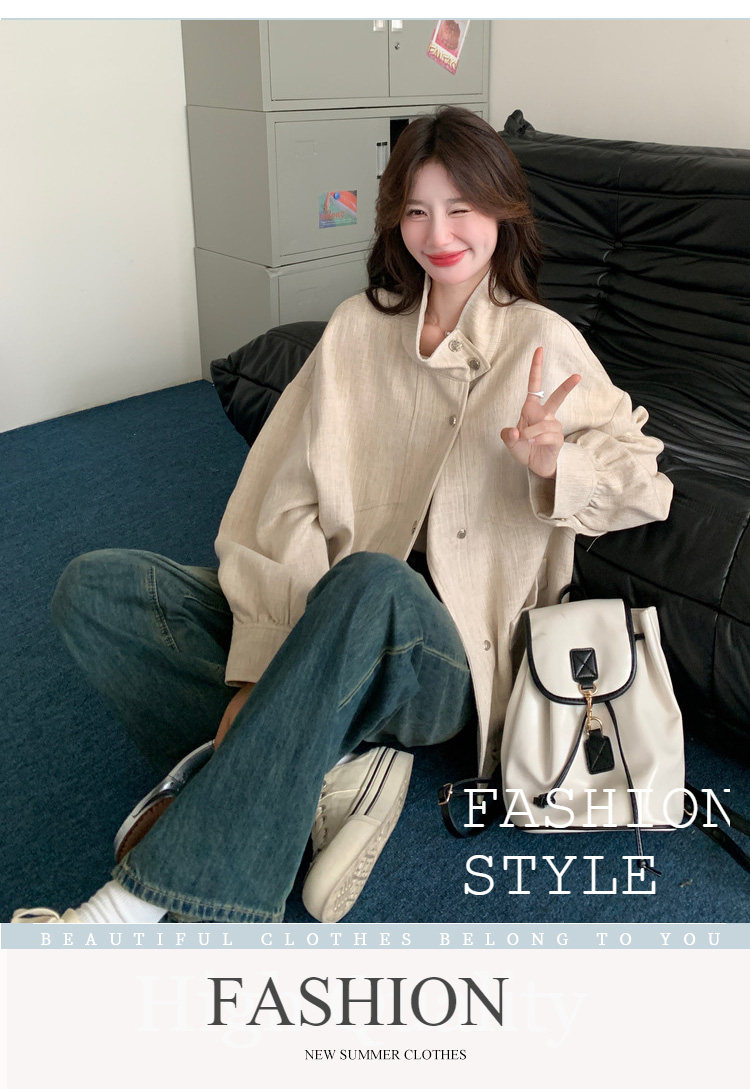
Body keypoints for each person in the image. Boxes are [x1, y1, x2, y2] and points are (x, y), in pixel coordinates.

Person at [12, 107, 672, 926]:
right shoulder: (360, 328)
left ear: (503, 212)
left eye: (462, 208)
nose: (440, 234)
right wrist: (259, 665)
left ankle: (130, 909)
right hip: (324, 614)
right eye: (417, 210)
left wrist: (556, 464)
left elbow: (646, 482)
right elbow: (282, 494)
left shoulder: (541, 339)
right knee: (97, 589)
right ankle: (338, 762)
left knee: (370, 582)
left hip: (442, 665)